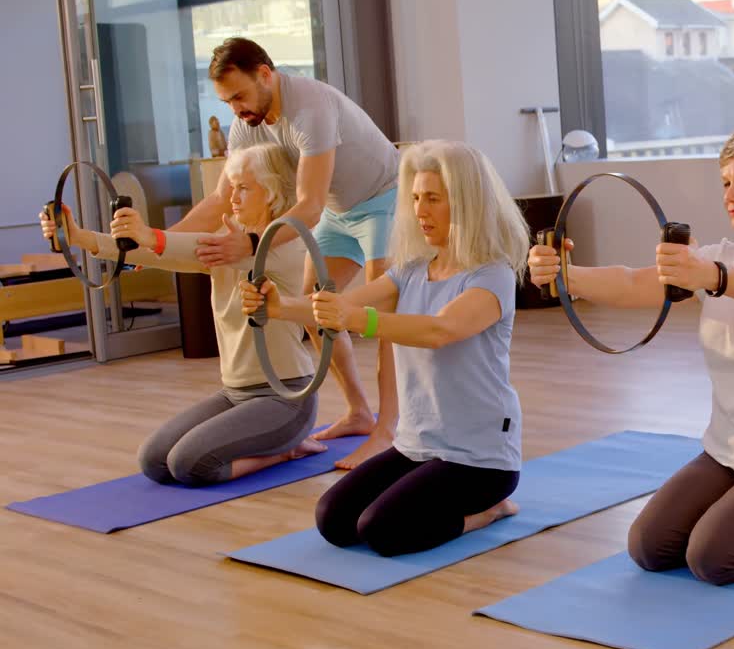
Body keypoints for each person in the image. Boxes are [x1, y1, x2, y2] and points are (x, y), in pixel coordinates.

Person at [528, 119, 734, 586]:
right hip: (729, 455)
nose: (730, 194)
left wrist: (711, 276)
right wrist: (565, 275)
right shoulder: (716, 257)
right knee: (648, 546)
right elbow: (632, 280)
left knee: (713, 558)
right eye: (725, 182)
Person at [241, 140, 529, 556]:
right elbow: (345, 305)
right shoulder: (411, 270)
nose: (420, 210)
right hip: (416, 444)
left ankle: (489, 511)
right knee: (334, 520)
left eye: (433, 199)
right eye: (414, 198)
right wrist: (281, 307)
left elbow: (439, 330)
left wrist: (360, 321)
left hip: (478, 459)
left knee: (383, 530)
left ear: (465, 203)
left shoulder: (492, 275)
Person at [41, 144, 325, 485]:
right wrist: (80, 237)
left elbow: (188, 246)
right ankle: (278, 445)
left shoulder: (283, 244)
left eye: (244, 188)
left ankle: (286, 450)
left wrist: (149, 235)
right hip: (234, 393)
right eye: (232, 186)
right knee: (154, 461)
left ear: (274, 192)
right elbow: (168, 255)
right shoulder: (227, 241)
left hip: (286, 398)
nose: (232, 197)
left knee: (190, 465)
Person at [176, 37, 400, 470]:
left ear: (265, 74)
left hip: (382, 200)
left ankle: (387, 428)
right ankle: (358, 411)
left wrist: (253, 243)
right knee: (314, 308)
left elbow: (308, 205)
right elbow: (220, 200)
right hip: (339, 210)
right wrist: (156, 241)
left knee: (381, 317)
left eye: (239, 96)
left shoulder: (309, 107)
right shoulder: (247, 124)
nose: (235, 109)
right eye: (226, 101)